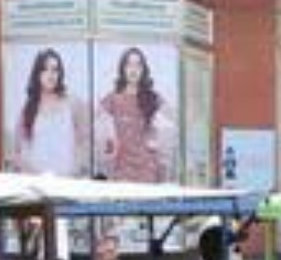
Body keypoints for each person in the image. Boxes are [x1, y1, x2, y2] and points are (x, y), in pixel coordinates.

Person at [97, 47, 175, 183]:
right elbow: (97, 128)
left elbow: (173, 122)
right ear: (122, 68)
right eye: (129, 64)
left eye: (138, 65)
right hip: (122, 168)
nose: (133, 70)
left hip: (147, 168)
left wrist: (157, 142)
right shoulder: (113, 99)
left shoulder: (152, 98)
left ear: (143, 70)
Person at [10, 48, 89, 176]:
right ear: (37, 74)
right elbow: (17, 153)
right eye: (45, 69)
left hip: (67, 184)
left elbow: (84, 142)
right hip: (37, 186)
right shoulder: (28, 109)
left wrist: (75, 171)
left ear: (60, 73)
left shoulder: (73, 103)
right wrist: (35, 174)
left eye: (54, 70)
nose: (50, 74)